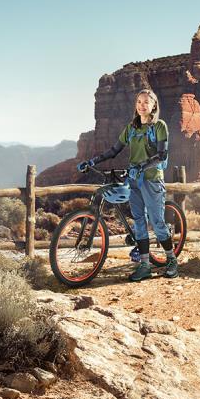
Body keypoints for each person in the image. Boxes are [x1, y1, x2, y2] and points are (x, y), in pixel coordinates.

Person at [78, 88, 177, 281]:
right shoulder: (132, 128)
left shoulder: (159, 126)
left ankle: (172, 260)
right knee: (139, 222)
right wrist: (92, 161)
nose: (142, 105)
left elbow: (162, 155)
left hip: (152, 179)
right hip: (133, 180)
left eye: (146, 102)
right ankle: (145, 265)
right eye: (139, 102)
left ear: (154, 105)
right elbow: (114, 150)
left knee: (157, 223)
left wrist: (141, 166)